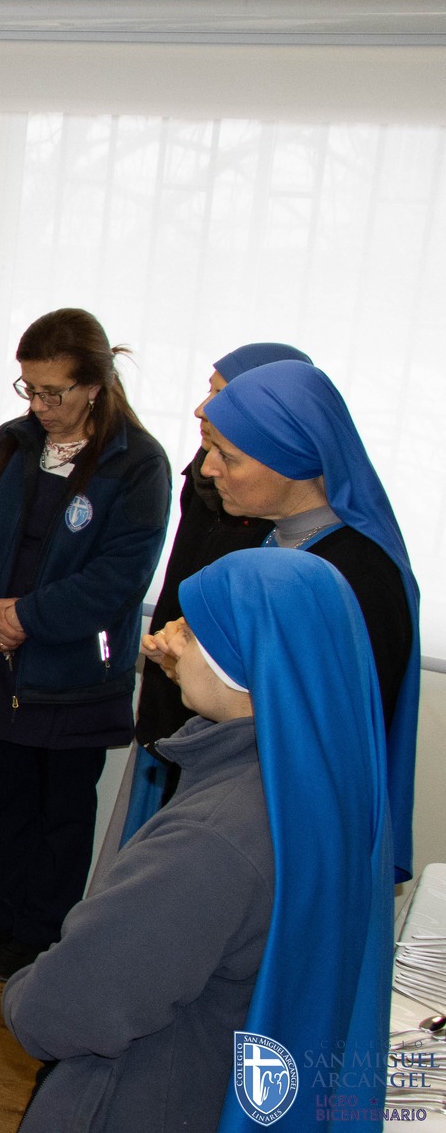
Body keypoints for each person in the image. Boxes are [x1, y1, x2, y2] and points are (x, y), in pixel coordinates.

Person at [5, 547, 391, 1132]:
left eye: (192, 628)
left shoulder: (213, 839)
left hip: (149, 1098)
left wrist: (22, 991)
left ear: (247, 661)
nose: (172, 640)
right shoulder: (322, 778)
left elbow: (57, 1012)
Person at [0, 308, 169, 981]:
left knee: (62, 813)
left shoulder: (137, 464)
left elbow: (117, 580)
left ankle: (43, 936)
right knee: (6, 799)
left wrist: (24, 618)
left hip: (73, 675)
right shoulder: (12, 442)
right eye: (28, 389)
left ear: (94, 384)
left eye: (54, 392)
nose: (39, 405)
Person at [194, 358, 419, 882]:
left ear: (290, 463)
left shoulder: (360, 575)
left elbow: (335, 731)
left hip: (293, 837)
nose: (207, 469)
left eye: (226, 456)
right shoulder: (272, 537)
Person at [114, 344, 312, 846]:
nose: (203, 407)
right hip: (180, 678)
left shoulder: (274, 515)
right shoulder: (204, 480)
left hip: (227, 714)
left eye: (221, 394)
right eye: (209, 389)